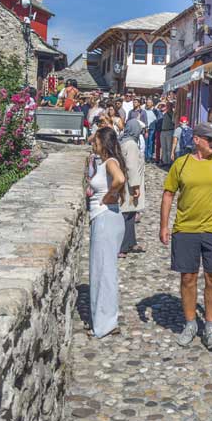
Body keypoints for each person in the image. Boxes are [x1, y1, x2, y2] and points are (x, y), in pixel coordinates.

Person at [160, 122, 212, 351]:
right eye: (210, 139)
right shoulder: (181, 164)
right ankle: (191, 323)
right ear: (196, 140)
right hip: (186, 229)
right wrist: (164, 226)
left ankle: (210, 327)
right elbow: (168, 195)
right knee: (188, 277)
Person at [85, 127, 128, 339]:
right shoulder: (105, 161)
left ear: (104, 142)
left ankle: (104, 324)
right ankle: (105, 319)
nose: (94, 144)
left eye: (97, 142)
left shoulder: (110, 161)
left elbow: (120, 179)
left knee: (103, 271)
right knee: (104, 270)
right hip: (107, 218)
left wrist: (110, 196)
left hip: (105, 219)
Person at [118, 119, 146, 257]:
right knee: (127, 214)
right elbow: (132, 166)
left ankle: (131, 241)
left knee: (131, 213)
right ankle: (123, 245)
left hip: (125, 183)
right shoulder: (131, 145)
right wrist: (135, 186)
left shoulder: (123, 141)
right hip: (130, 185)